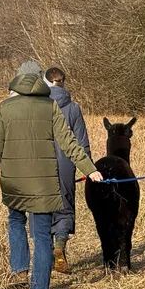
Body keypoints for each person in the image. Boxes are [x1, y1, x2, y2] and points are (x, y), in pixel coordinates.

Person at [0, 60, 103, 289]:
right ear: (40, 83)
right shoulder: (50, 107)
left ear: (16, 82)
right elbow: (70, 143)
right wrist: (90, 170)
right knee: (41, 232)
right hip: (44, 185)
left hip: (14, 182)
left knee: (16, 221)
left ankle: (19, 270)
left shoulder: (5, 108)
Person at [42, 66, 91, 273]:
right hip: (66, 165)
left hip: (40, 164)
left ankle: (46, 256)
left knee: (42, 209)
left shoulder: (39, 105)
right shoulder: (73, 108)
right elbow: (82, 141)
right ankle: (60, 246)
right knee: (65, 207)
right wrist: (87, 169)